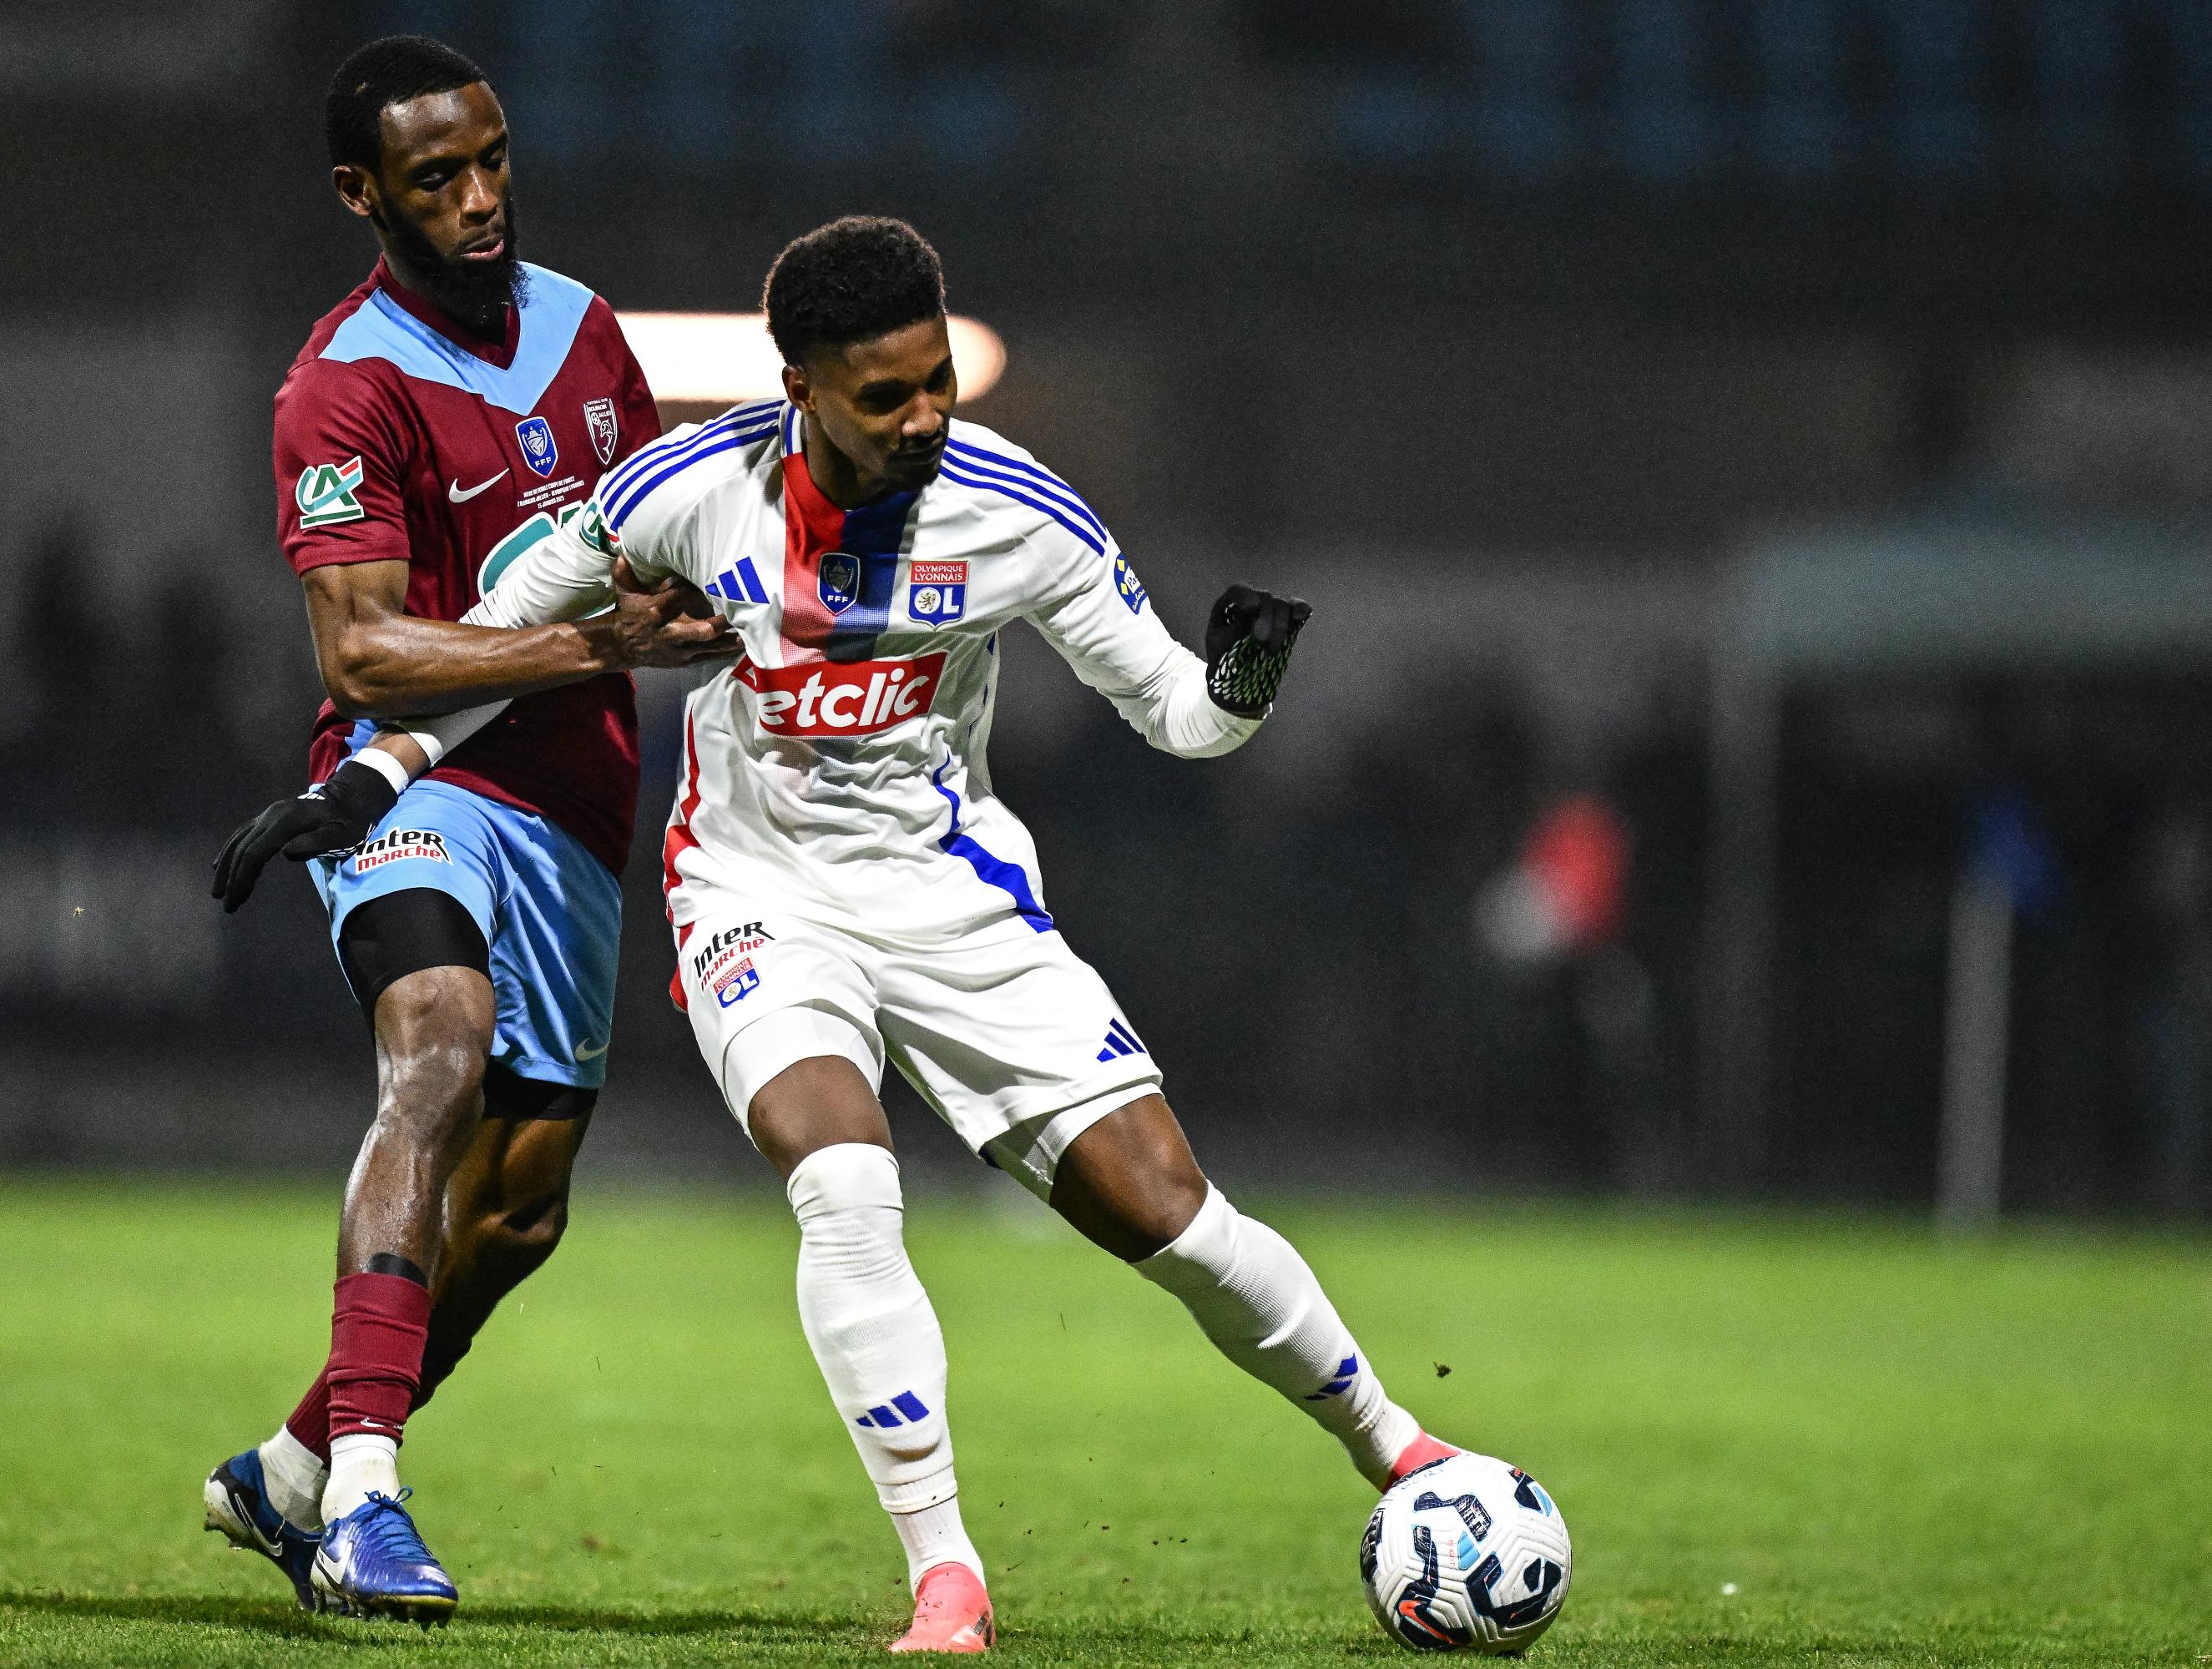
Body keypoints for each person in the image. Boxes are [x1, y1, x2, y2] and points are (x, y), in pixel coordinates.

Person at [218, 215, 1462, 1652]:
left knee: (1175, 1218)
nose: (928, 416)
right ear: (800, 384)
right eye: (889, 395)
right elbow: (505, 634)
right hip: (756, 896)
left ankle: (1408, 1455)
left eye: (938, 380)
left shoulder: (1017, 512)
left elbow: (1179, 716)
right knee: (848, 1186)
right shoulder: (684, 491)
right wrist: (368, 778)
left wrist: (1242, 683)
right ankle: (947, 1575)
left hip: (953, 897)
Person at [199, 35, 738, 1625]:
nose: (482, 196)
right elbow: (364, 653)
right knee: (437, 1039)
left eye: (494, 159)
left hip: (576, 805)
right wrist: (600, 646)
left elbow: (645, 557)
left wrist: (686, 610)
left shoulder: (584, 330)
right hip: (410, 779)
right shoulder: (338, 386)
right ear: (364, 194)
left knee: (518, 1208)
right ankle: (366, 1498)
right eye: (439, 178)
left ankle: (292, 1465)